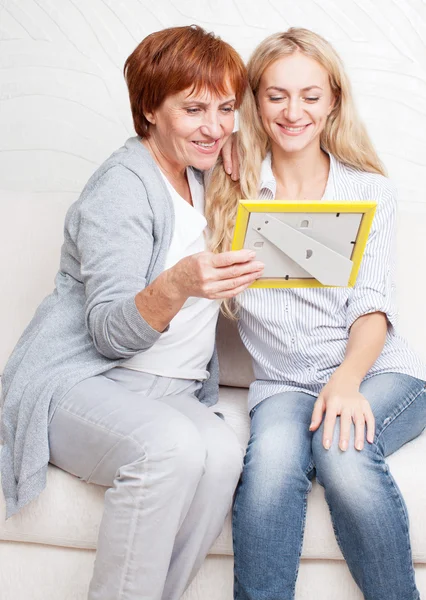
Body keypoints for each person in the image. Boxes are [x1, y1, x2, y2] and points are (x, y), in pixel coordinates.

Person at [0, 25, 265, 600]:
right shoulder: (122, 188)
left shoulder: (206, 170)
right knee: (166, 447)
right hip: (84, 380)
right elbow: (108, 333)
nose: (215, 126)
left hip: (170, 389)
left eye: (225, 109)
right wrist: (177, 284)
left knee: (221, 455)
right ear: (150, 108)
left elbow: (281, 142)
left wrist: (249, 156)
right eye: (194, 109)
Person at [206, 27, 426, 600]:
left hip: (373, 372)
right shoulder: (231, 186)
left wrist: (347, 382)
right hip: (283, 383)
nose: (292, 110)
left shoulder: (369, 191)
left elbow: (372, 306)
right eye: (276, 95)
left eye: (309, 95)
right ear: (255, 100)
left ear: (333, 100)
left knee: (341, 452)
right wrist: (226, 143)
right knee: (267, 479)